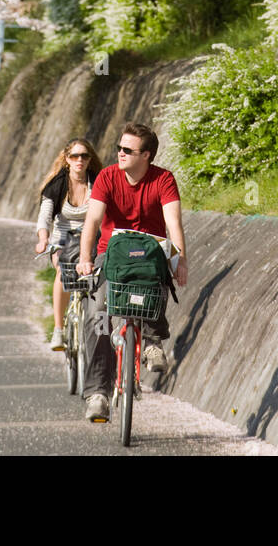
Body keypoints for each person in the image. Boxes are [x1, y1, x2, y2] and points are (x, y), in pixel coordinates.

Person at [77, 121, 188, 424]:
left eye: (128, 150)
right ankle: (98, 393)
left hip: (149, 254)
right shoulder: (106, 177)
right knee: (97, 313)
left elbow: (174, 226)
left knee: (157, 275)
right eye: (119, 148)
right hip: (110, 256)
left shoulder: (163, 179)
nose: (120, 154)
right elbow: (93, 221)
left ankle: (152, 342)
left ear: (146, 156)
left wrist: (180, 263)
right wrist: (86, 258)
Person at [35, 137, 103, 350]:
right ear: (67, 159)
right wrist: (43, 239)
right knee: (62, 273)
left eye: (84, 155)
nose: (79, 160)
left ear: (90, 159)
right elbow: (45, 217)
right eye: (74, 156)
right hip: (63, 236)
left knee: (100, 273)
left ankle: (98, 326)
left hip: (91, 235)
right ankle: (58, 330)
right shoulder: (57, 184)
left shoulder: (99, 181)